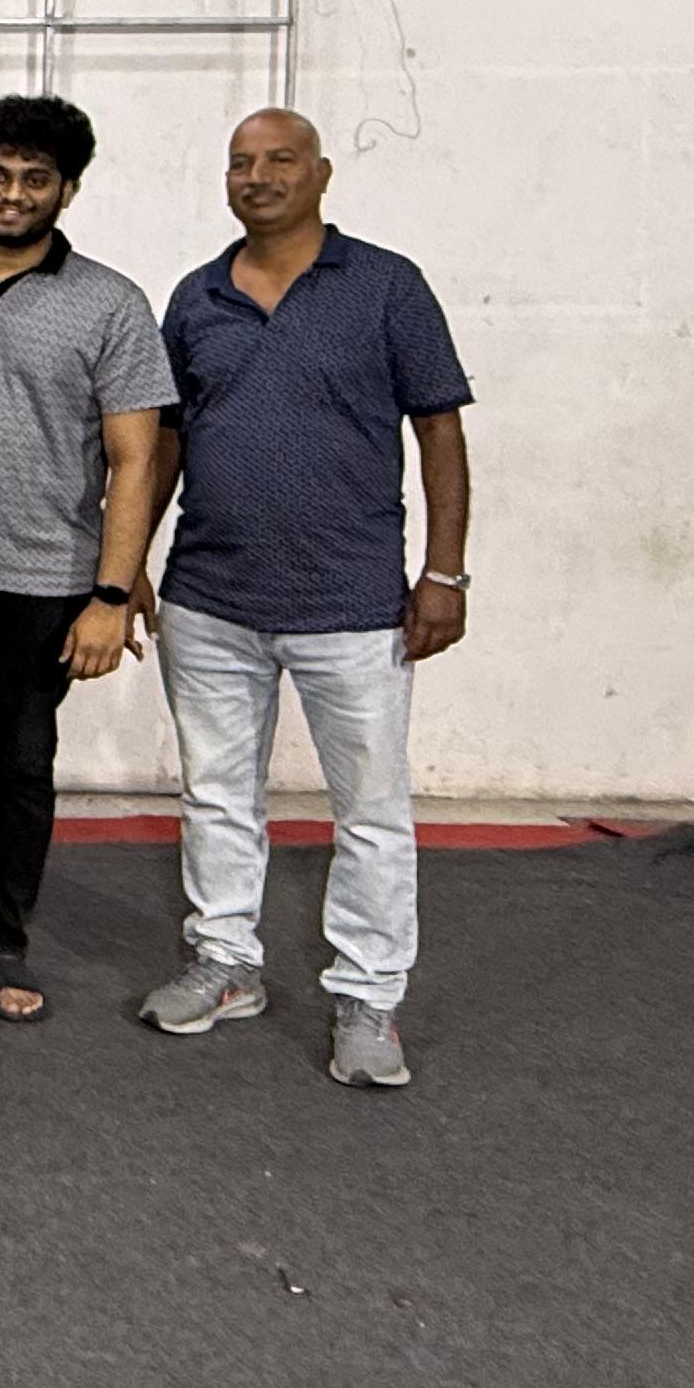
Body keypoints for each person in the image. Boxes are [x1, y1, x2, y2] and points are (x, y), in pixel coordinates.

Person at [134, 108, 472, 1091]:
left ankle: (369, 997)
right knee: (216, 796)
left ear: (320, 174)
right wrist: (132, 563)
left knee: (370, 813)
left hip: (354, 605)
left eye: (280, 159)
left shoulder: (387, 286)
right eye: (241, 162)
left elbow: (440, 433)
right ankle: (226, 963)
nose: (258, 176)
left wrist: (444, 574)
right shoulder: (196, 297)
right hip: (210, 599)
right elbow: (167, 441)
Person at [0, 94, 174, 1025]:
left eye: (35, 179)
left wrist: (110, 595)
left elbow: (136, 461)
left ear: (68, 190)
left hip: (45, 582)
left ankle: (1, 942)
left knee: (20, 768)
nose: (13, 194)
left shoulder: (112, 304)